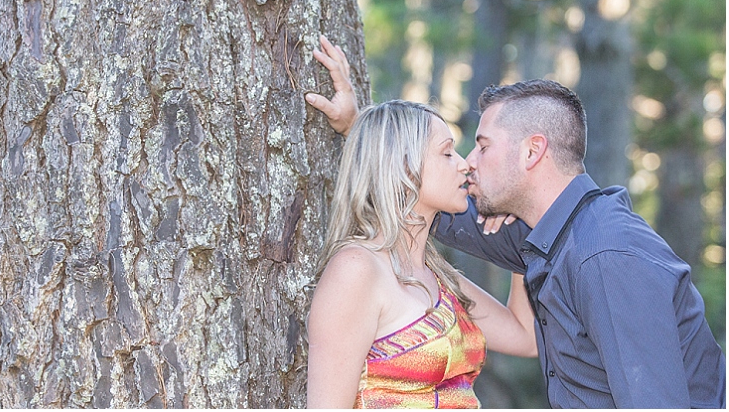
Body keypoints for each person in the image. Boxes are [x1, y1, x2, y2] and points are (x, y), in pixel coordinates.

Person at [306, 35, 726, 409]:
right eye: (452, 152)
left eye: (481, 147)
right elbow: (408, 190)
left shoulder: (603, 254)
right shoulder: (546, 234)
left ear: (531, 153)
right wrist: (357, 126)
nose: (468, 164)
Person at [306, 99, 538, 409]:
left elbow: (525, 337)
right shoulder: (356, 269)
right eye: (446, 153)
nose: (464, 164)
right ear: (404, 167)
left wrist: (519, 235)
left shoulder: (439, 275)